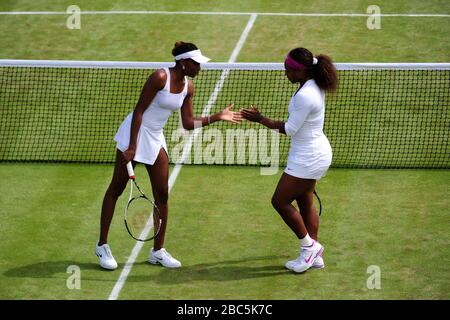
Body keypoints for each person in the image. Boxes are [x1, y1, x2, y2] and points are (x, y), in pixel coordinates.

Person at [96, 41, 242, 270]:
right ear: (183, 63)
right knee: (116, 188)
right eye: (196, 64)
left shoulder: (188, 87)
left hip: (155, 137)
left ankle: (158, 251)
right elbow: (139, 111)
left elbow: (187, 123)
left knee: (162, 195)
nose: (199, 69)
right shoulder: (159, 78)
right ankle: (102, 245)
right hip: (135, 132)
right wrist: (132, 146)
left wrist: (217, 116)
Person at [241, 47, 338, 273]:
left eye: (289, 71)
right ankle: (313, 257)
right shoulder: (310, 85)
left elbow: (291, 128)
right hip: (310, 153)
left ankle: (309, 246)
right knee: (305, 202)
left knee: (280, 201)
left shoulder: (306, 94)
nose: (286, 74)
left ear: (301, 71)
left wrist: (260, 119)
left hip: (309, 156)